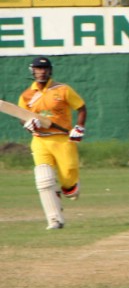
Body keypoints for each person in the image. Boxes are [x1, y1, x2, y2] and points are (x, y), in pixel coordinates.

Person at [18, 55, 87, 230]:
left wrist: (79, 128)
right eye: (38, 69)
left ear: (50, 71)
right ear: (32, 71)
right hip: (40, 140)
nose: (41, 72)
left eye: (44, 69)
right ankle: (55, 219)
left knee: (69, 180)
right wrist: (27, 123)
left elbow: (81, 108)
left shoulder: (62, 90)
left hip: (63, 139)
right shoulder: (27, 95)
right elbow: (22, 116)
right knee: (44, 179)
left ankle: (70, 187)